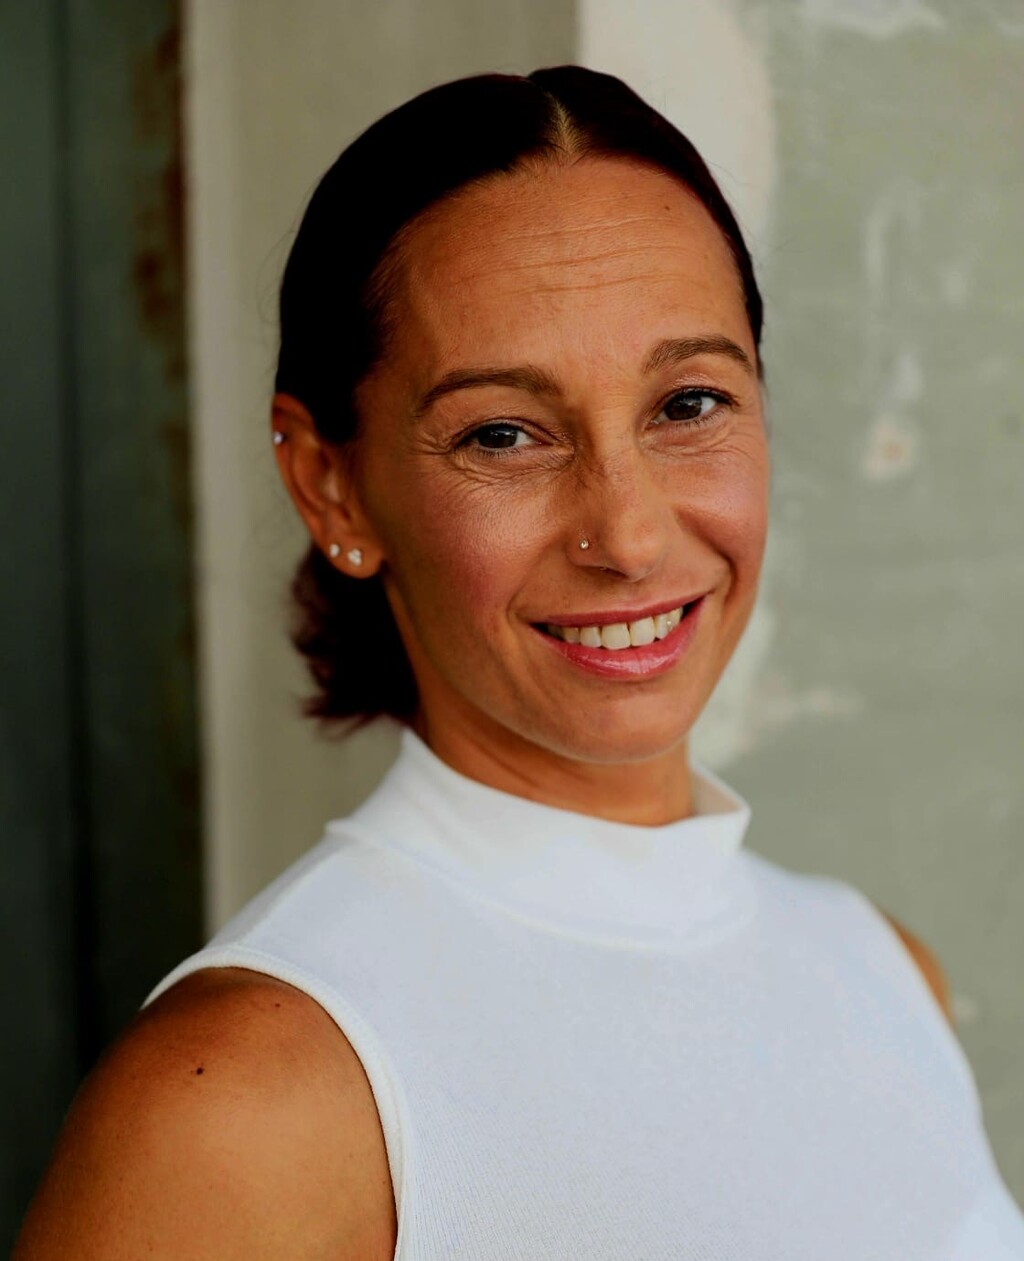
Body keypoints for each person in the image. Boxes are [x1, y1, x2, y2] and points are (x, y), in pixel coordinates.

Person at [14, 66, 1024, 1261]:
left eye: (687, 404)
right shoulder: (246, 1098)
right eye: (503, 433)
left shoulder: (881, 971)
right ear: (330, 485)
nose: (628, 535)